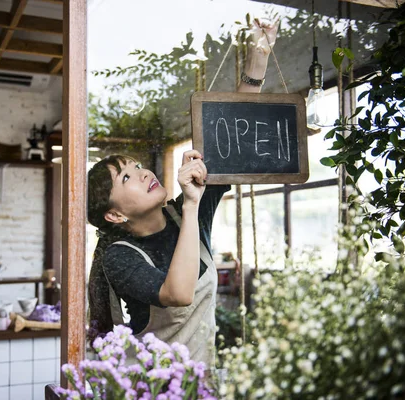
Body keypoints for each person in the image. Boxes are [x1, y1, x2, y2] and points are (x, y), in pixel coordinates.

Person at [87, 18, 278, 367]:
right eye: (127, 178)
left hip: (199, 383)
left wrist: (259, 56)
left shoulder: (184, 212)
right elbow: (177, 293)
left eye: (137, 166)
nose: (143, 173)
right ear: (114, 214)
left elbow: (229, 139)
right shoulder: (119, 255)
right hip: (150, 387)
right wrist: (191, 205)